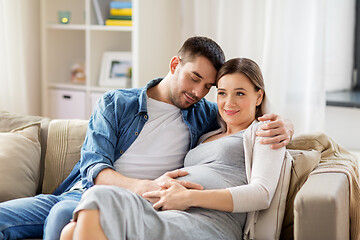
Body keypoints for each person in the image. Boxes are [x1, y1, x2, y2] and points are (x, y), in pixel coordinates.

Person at [0, 37, 293, 240]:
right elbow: (94, 168)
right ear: (175, 64)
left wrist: (286, 124)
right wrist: (146, 186)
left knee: (65, 220)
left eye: (208, 86)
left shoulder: (203, 113)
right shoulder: (117, 103)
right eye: (194, 78)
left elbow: (245, 123)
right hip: (85, 191)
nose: (199, 92)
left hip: (148, 205)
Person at [60, 57, 286, 240]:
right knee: (72, 229)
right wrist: (180, 199)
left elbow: (261, 194)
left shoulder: (264, 132)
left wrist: (189, 198)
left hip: (209, 221)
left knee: (96, 201)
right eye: (222, 93)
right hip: (170, 210)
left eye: (240, 93)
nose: (229, 103)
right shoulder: (210, 130)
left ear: (259, 96)